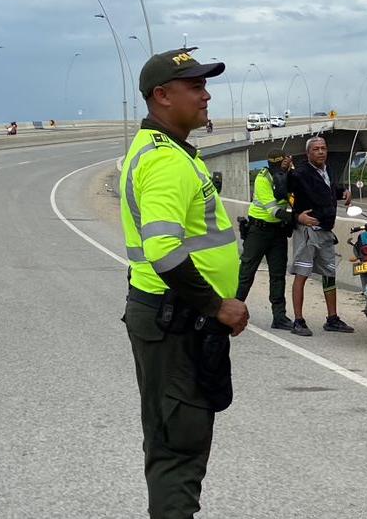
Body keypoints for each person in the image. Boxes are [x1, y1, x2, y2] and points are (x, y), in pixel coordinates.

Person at [120, 47, 250, 519]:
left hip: (174, 320)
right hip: (176, 322)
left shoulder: (172, 153)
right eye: (195, 87)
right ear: (162, 96)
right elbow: (162, 250)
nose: (206, 95)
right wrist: (216, 305)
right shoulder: (166, 163)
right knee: (178, 449)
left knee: (179, 442)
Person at [286, 135, 354, 336]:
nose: (321, 152)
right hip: (308, 231)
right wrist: (298, 217)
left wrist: (344, 192)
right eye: (316, 149)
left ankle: (332, 318)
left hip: (325, 230)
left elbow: (328, 191)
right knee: (302, 274)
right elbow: (284, 194)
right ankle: (298, 321)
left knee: (329, 274)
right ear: (308, 153)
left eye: (323, 148)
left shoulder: (328, 170)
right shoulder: (299, 174)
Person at [236, 148, 294, 329]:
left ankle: (279, 317)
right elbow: (273, 211)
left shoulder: (290, 175)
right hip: (258, 231)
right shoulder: (263, 178)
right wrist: (297, 217)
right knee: (247, 273)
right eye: (278, 164)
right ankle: (234, 311)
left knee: (278, 275)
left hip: (278, 232)